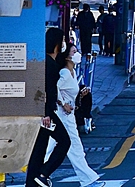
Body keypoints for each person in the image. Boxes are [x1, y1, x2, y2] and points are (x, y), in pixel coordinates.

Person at [26, 27, 72, 187]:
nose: (65, 43)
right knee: (65, 141)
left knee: (39, 149)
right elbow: (41, 91)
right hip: (46, 114)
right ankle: (44, 174)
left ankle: (33, 182)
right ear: (57, 43)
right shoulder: (49, 66)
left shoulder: (49, 62)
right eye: (64, 40)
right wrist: (45, 113)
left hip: (43, 113)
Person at [54, 43, 103, 187]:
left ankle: (88, 179)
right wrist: (63, 103)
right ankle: (36, 174)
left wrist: (79, 95)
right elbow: (54, 88)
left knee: (73, 146)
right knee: (69, 146)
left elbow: (67, 91)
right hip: (61, 115)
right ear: (67, 57)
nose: (77, 54)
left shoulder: (72, 72)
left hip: (67, 116)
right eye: (74, 51)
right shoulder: (64, 72)